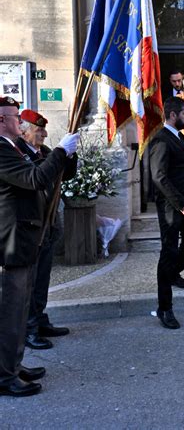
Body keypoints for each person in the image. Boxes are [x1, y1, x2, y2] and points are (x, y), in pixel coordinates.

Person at [0, 97, 79, 397]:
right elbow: (34, 178)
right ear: (1, 121)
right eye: (12, 116)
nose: (17, 121)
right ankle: (4, 376)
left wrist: (63, 154)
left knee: (19, 311)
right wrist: (60, 151)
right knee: (10, 312)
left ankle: (12, 365)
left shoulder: (13, 147)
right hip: (12, 241)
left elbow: (50, 173)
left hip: (25, 237)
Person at [17, 109, 77, 350]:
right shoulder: (19, 152)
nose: (43, 133)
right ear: (23, 130)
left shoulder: (43, 151)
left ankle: (40, 320)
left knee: (43, 276)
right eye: (37, 129)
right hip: (32, 222)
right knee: (31, 279)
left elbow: (67, 174)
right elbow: (39, 176)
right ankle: (29, 329)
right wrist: (60, 154)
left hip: (49, 220)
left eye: (43, 129)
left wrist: (70, 154)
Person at [149, 97, 184, 329]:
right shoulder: (161, 140)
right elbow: (159, 176)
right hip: (173, 207)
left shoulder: (179, 136)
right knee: (168, 252)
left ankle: (174, 273)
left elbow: (179, 165)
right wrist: (181, 203)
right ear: (173, 115)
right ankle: (165, 308)